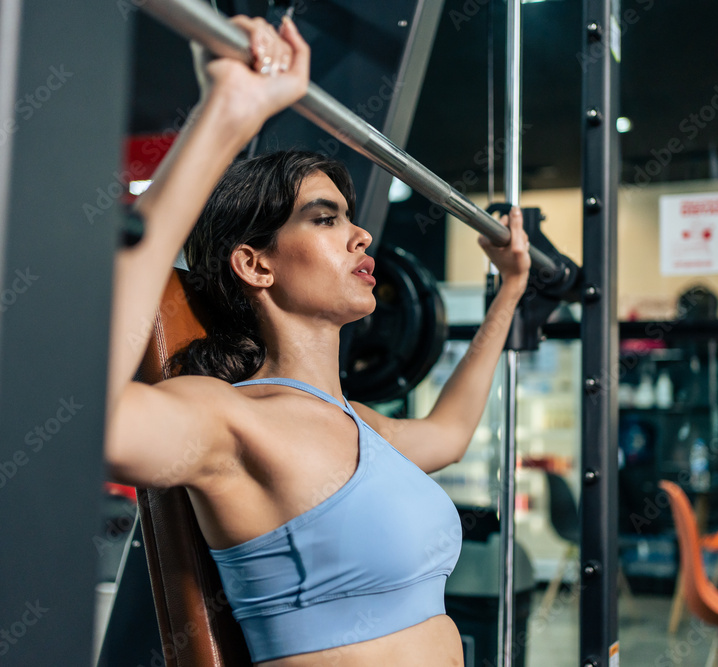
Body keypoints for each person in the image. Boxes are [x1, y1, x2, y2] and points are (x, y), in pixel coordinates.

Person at [104, 15, 530, 667]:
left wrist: (509, 292)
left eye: (352, 218)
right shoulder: (232, 421)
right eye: (325, 218)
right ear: (255, 265)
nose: (361, 235)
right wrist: (223, 118)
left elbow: (450, 433)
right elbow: (102, 426)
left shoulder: (363, 426)